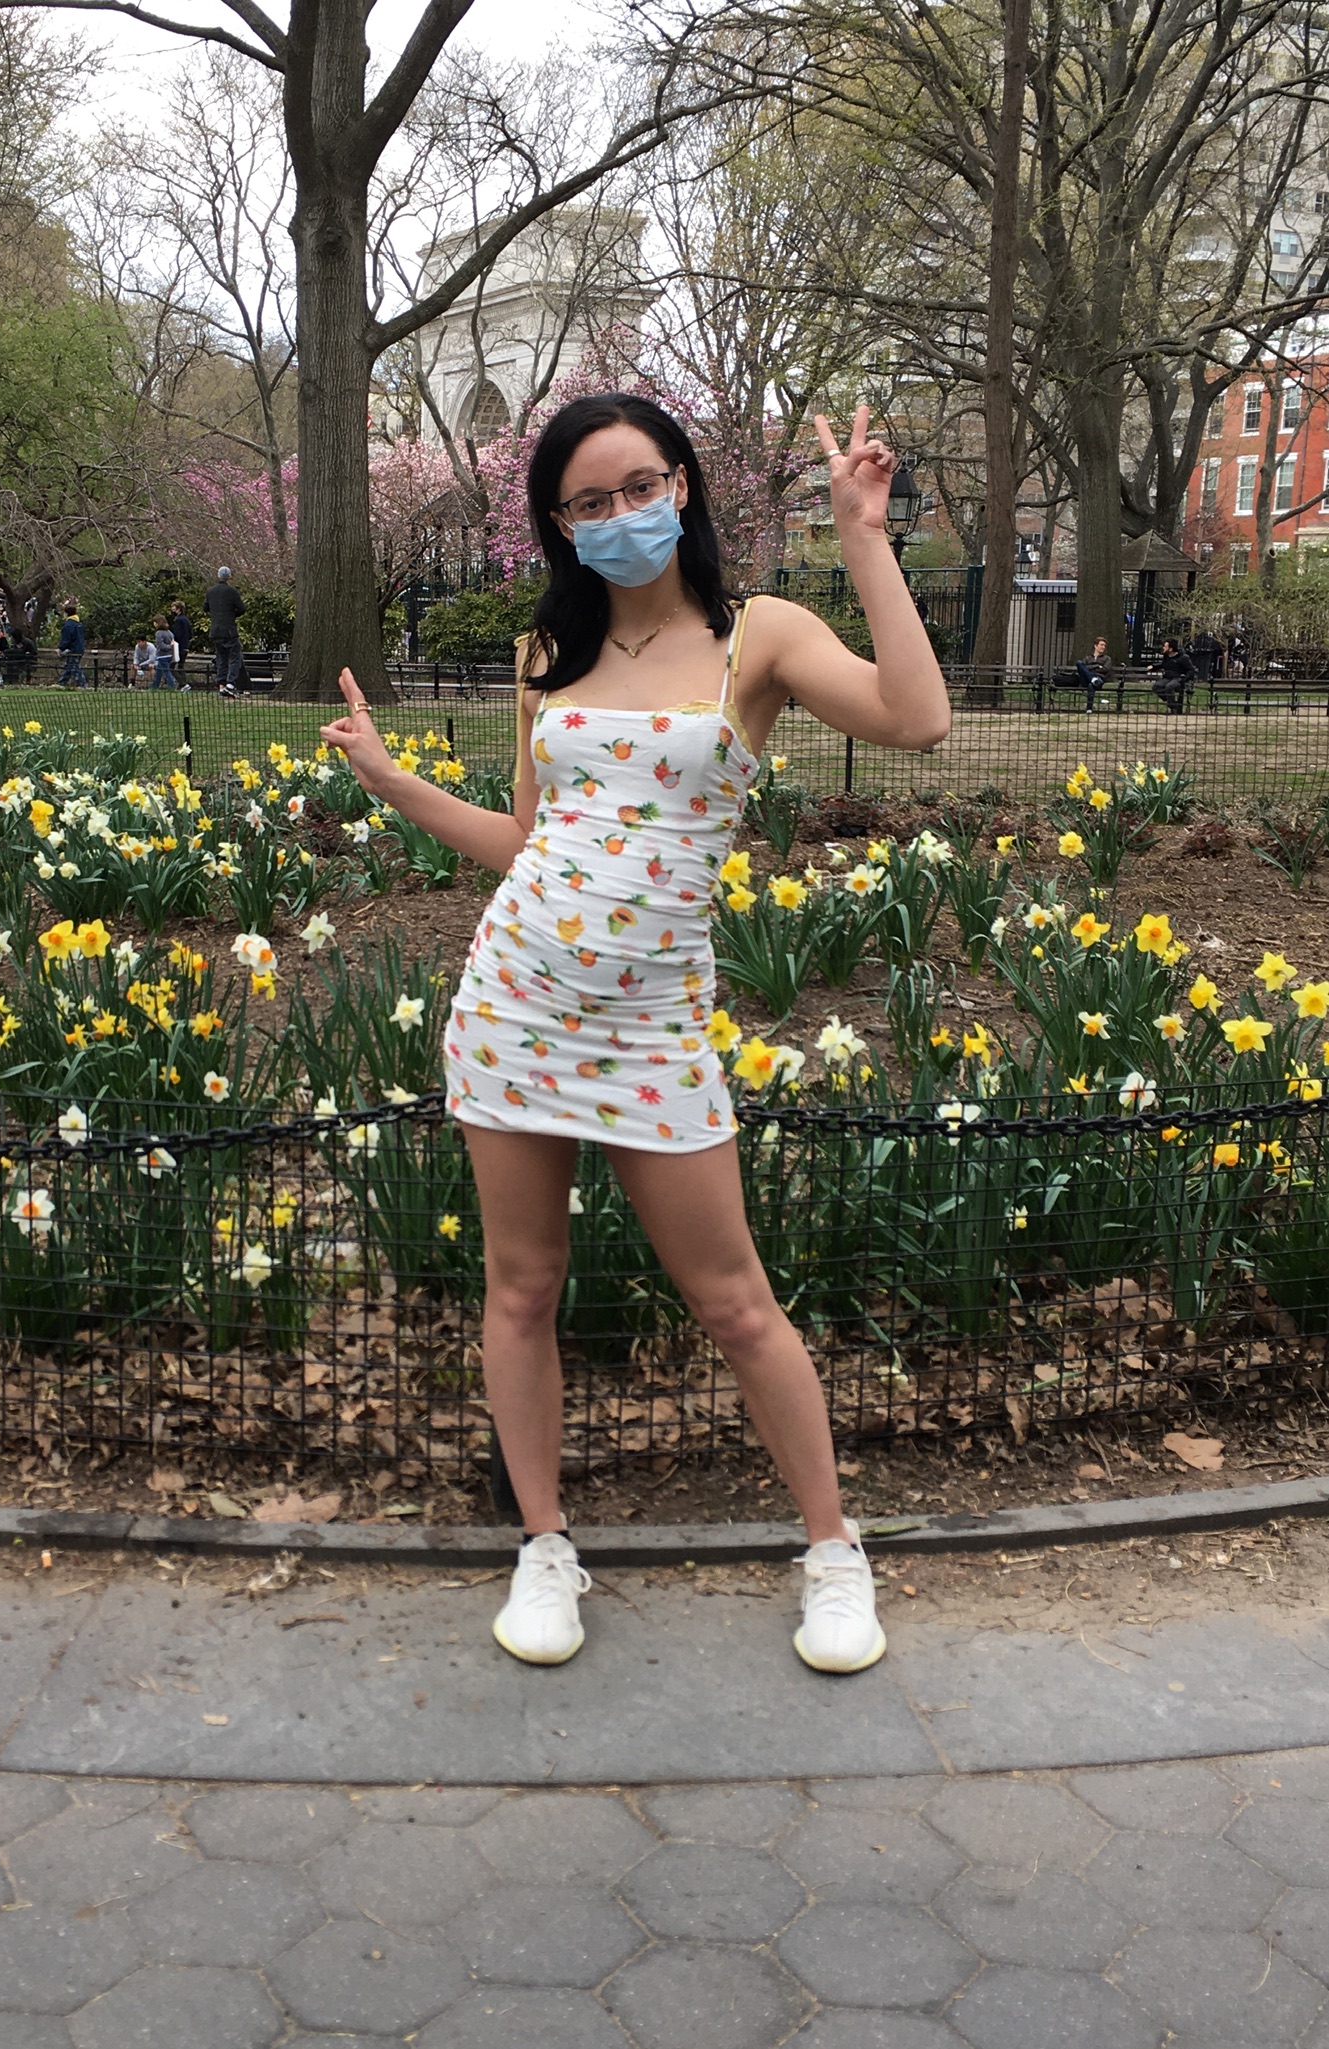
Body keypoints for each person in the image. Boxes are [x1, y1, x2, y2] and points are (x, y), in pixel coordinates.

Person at [321, 393, 949, 1676]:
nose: (619, 517)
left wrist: (864, 538)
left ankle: (832, 1553)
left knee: (732, 1299)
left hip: (653, 1030)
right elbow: (524, 842)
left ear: (684, 486)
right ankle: (544, 1546)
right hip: (512, 1012)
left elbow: (913, 717)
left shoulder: (755, 637)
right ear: (558, 525)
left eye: (638, 485)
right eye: (587, 503)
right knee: (522, 1288)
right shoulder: (543, 658)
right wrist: (392, 783)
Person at [204, 567, 246, 693]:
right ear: (229, 577)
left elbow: (205, 607)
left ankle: (221, 684)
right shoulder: (232, 591)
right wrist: (232, 615)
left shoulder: (210, 591)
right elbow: (242, 608)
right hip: (229, 630)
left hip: (215, 630)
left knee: (221, 657)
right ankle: (230, 684)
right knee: (234, 657)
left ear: (218, 576)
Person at [1150, 637, 1195, 714]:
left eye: (1165, 646)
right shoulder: (1166, 657)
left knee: (1169, 687)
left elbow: (1191, 670)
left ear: (1170, 649)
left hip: (1178, 678)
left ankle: (1173, 707)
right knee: (1156, 686)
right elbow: (1163, 665)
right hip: (1167, 678)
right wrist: (1153, 667)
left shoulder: (1183, 658)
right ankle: (1173, 703)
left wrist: (1185, 679)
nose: (1163, 648)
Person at [1073, 635, 1112, 711]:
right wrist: (1097, 666)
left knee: (1092, 685)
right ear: (1095, 646)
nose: (1103, 647)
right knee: (1079, 663)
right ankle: (1092, 679)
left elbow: (1106, 669)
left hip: (1099, 678)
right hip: (1086, 679)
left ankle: (1089, 709)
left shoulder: (1107, 658)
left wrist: (1091, 668)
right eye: (1101, 645)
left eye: (1104, 645)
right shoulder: (1088, 658)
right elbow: (1082, 668)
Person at [57, 602, 87, 688]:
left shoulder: (68, 625)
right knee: (70, 667)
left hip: (72, 649)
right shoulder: (79, 624)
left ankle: (83, 685)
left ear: (66, 613)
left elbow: (66, 639)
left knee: (75, 668)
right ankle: (61, 683)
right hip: (80, 648)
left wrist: (61, 648)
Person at [168, 599, 193, 685]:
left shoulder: (178, 620)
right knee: (181, 666)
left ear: (179, 609)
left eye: (174, 609)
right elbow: (190, 634)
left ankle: (182, 683)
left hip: (178, 647)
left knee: (170, 667)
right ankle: (184, 683)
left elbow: (177, 635)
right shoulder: (186, 620)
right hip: (186, 646)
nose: (173, 611)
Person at [151, 615, 179, 690]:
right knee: (158, 673)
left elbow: (160, 646)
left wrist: (170, 646)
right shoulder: (170, 633)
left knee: (167, 673)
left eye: (155, 622)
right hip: (170, 655)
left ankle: (172, 686)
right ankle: (154, 687)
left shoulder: (159, 633)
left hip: (162, 656)